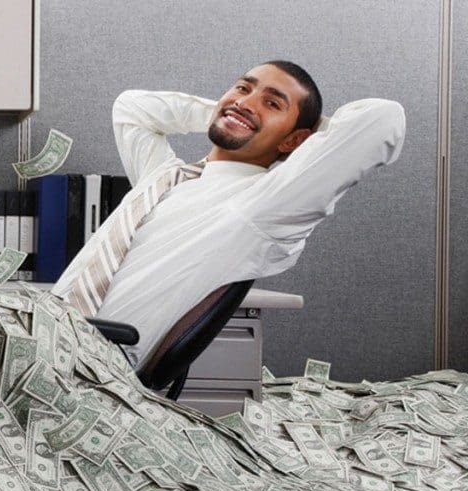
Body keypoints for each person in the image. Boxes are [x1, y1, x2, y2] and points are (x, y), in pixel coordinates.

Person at [52, 60, 406, 369]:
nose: (247, 100)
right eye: (242, 87)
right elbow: (131, 108)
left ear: (294, 141)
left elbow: (384, 119)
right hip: (47, 336)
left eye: (272, 103)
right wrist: (231, 111)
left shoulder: (262, 205)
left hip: (87, 363)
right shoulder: (163, 176)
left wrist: (304, 134)